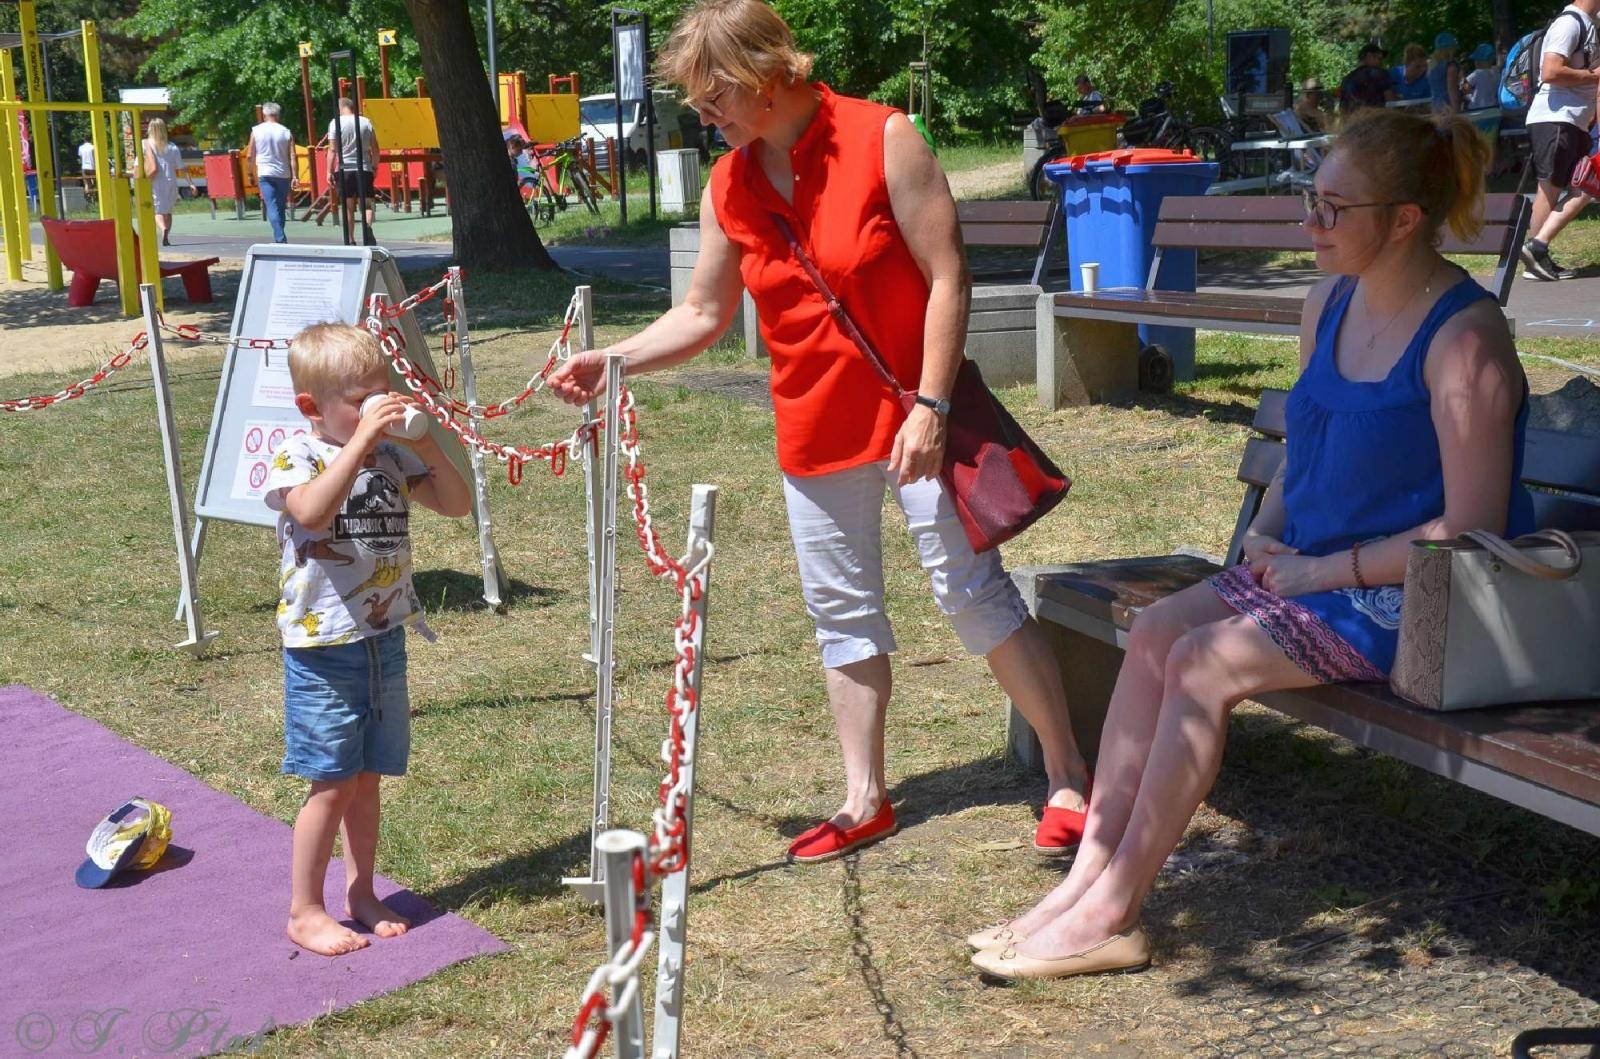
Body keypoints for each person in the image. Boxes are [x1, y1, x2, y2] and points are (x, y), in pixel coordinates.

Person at [968, 107, 1535, 981]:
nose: (1309, 222)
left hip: (1414, 598)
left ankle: (1118, 910)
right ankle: (1084, 880)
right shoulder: (1328, 300)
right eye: (1311, 197)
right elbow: (1306, 446)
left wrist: (1319, 567)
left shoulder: (1465, 337)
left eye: (1332, 208)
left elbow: (1468, 529)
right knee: (1157, 632)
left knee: (1203, 662)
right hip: (1313, 571)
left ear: (1404, 219)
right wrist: (1271, 527)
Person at [546, 0, 1093, 865]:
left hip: (915, 415)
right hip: (812, 424)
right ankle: (863, 797)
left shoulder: (884, 137)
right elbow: (700, 312)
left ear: (764, 77)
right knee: (841, 611)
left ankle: (1067, 773)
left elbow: (948, 278)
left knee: (969, 590)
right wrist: (612, 359)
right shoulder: (731, 183)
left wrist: (931, 403)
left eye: (712, 94)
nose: (704, 114)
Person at [264, 323, 471, 956]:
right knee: (332, 780)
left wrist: (426, 436)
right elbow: (310, 513)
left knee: (369, 777)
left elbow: (457, 503)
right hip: (323, 646)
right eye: (360, 399)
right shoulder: (297, 453)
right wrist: (357, 441)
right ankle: (304, 909)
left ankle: (361, 890)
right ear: (312, 407)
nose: (376, 408)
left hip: (383, 636)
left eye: (383, 394)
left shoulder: (390, 455)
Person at [1520, 0, 1599, 282]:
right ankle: (1535, 258)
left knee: (1587, 184)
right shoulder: (1569, 23)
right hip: (1555, 118)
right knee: (1550, 187)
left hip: (1573, 121)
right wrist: (1593, 75)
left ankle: (1538, 251)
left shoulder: (1588, 24)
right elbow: (1550, 72)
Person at [326, 97, 380, 243]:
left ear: (340, 108)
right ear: (353, 108)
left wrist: (329, 171)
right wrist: (374, 167)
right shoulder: (365, 122)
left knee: (348, 207)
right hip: (364, 167)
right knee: (367, 205)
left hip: (344, 169)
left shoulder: (335, 123)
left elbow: (332, 150)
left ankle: (350, 239)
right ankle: (367, 227)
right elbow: (375, 149)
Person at [246, 102, 296, 244]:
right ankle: (279, 236)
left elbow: (250, 155)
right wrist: (295, 175)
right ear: (278, 114)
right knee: (280, 206)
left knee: (271, 205)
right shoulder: (286, 132)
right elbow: (292, 155)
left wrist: (250, 173)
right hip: (283, 174)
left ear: (264, 114)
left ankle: (280, 238)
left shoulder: (256, 131)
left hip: (265, 172)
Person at [141, 118, 184, 246]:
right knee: (168, 211)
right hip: (170, 181)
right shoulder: (172, 146)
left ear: (150, 129)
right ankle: (167, 235)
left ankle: (162, 228)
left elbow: (140, 163)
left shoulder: (146, 144)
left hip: (155, 181)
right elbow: (180, 166)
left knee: (157, 211)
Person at [1340, 43, 1395, 111]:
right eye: (1379, 58)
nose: (1381, 63)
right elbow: (1391, 100)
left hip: (1352, 119)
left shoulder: (1346, 79)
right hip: (1375, 118)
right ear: (1369, 56)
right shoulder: (1379, 73)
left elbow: (1343, 107)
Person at [1428, 32, 1463, 112]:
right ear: (1450, 49)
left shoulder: (1432, 66)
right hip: (1447, 108)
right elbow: (1452, 91)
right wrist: (1456, 112)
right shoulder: (1451, 66)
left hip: (1435, 107)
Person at [1462, 42, 1502, 110]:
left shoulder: (1477, 73)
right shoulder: (1496, 72)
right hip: (1494, 108)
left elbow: (1465, 88)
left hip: (1478, 110)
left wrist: (1468, 95)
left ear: (1478, 61)